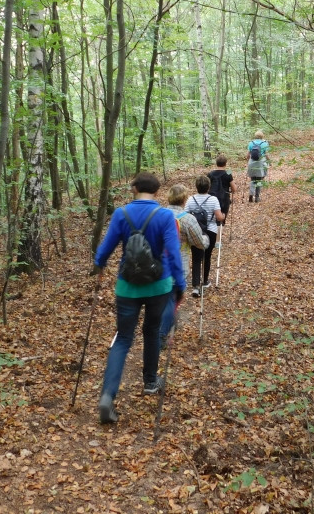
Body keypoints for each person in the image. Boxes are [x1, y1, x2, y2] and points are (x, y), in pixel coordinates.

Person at [94, 172, 186, 424]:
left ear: (134, 188)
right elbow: (174, 252)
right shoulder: (165, 215)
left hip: (127, 287)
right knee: (152, 330)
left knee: (123, 339)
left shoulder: (121, 214)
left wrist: (99, 264)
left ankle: (107, 396)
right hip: (159, 286)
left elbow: (105, 250)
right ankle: (149, 383)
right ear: (156, 191)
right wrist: (180, 283)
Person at [159, 184, 208, 346]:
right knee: (172, 300)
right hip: (178, 266)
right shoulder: (187, 219)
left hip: (156, 265)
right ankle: (162, 334)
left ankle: (166, 324)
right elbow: (200, 243)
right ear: (184, 199)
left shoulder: (157, 215)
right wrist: (206, 239)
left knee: (163, 299)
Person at [185, 175, 224, 296]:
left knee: (196, 258)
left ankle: (195, 286)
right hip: (210, 231)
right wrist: (222, 216)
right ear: (209, 187)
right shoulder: (213, 199)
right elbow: (218, 217)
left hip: (195, 231)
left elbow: (185, 215)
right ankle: (205, 281)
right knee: (207, 256)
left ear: (196, 186)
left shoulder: (191, 199)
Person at [207, 155, 236, 223]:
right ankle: (219, 231)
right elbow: (234, 188)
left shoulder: (210, 174)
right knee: (221, 219)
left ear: (216, 163)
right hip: (224, 199)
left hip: (211, 198)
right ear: (225, 163)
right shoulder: (228, 173)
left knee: (211, 218)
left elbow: (206, 187)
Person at [245, 130, 270, 202]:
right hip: (260, 163)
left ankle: (251, 194)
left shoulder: (251, 143)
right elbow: (266, 154)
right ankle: (257, 197)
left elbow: (248, 155)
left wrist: (248, 162)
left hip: (252, 162)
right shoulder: (265, 143)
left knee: (253, 179)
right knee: (259, 179)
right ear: (262, 136)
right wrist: (269, 161)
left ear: (255, 136)